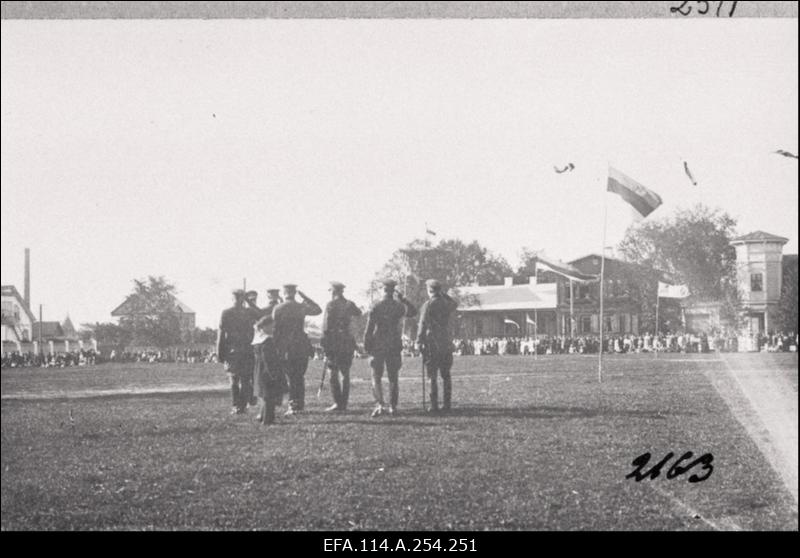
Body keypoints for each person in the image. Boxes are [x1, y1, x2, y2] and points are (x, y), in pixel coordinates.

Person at [363, 278, 417, 417]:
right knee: (393, 377)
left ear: (383, 290)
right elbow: (413, 312)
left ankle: (380, 404)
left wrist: (367, 345)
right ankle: (393, 406)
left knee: (376, 376)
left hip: (379, 344)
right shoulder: (398, 306)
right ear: (393, 291)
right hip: (394, 343)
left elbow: (369, 329)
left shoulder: (377, 306)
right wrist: (404, 299)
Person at [272, 284, 322, 416]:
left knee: (291, 376)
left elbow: (275, 330)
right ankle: (299, 404)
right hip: (301, 345)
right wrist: (305, 297)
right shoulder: (301, 307)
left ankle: (293, 405)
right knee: (299, 376)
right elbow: (318, 310)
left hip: (286, 347)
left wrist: (275, 348)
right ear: (294, 293)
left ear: (284, 293)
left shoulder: (278, 308)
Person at [417, 279, 458, 414]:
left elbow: (422, 324)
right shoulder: (447, 304)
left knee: (432, 375)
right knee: (446, 375)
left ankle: (433, 404)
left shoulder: (427, 305)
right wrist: (443, 294)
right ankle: (447, 404)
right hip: (445, 342)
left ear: (429, 290)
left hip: (432, 343)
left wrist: (419, 340)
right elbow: (454, 303)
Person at [320, 281, 363, 412]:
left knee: (333, 373)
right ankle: (343, 403)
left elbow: (326, 327)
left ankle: (338, 403)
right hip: (348, 342)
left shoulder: (331, 305)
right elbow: (358, 312)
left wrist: (325, 345)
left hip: (334, 343)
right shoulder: (349, 304)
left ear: (333, 291)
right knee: (345, 374)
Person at [217, 289, 256, 414]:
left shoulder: (226, 313)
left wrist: (220, 351)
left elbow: (222, 334)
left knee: (234, 379)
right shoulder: (249, 312)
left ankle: (236, 405)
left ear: (233, 298)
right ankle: (242, 405)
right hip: (247, 349)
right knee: (245, 379)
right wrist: (250, 303)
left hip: (232, 350)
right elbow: (261, 315)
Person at [253, 289, 287, 425]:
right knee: (269, 397)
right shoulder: (267, 341)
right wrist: (274, 373)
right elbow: (269, 360)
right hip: (268, 373)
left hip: (260, 372)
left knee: (265, 396)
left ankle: (263, 416)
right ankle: (268, 419)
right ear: (265, 327)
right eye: (271, 327)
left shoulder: (257, 340)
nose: (273, 329)